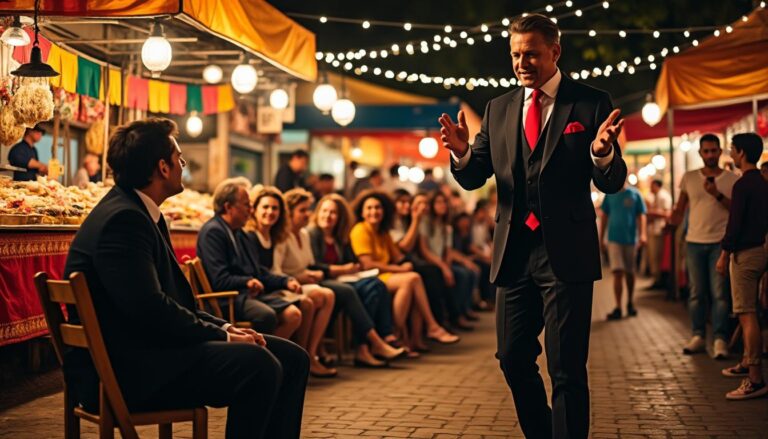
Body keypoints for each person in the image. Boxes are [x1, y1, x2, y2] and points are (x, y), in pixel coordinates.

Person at [438, 14, 627, 439]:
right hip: (513, 252)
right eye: (516, 55)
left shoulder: (589, 102)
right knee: (511, 357)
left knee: (566, 369)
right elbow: (474, 176)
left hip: (567, 251)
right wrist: (465, 153)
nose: (522, 62)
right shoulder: (498, 108)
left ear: (555, 52)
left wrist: (601, 154)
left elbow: (611, 182)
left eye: (532, 54)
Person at [63, 118, 308, 439]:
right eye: (179, 159)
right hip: (129, 371)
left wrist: (223, 327)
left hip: (147, 351)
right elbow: (150, 310)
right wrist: (223, 338)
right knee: (259, 364)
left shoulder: (138, 211)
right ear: (162, 168)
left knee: (292, 357)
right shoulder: (123, 220)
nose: (182, 166)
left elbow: (171, 304)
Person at [350, 190, 460, 352]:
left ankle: (405, 338)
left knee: (415, 282)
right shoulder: (360, 229)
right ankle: (419, 329)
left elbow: (399, 255)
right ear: (362, 212)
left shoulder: (383, 232)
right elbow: (367, 264)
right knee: (413, 279)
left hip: (385, 275)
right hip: (371, 276)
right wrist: (400, 268)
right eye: (369, 208)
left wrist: (405, 265)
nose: (374, 211)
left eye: (378, 208)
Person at [246, 186, 337, 378]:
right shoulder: (250, 235)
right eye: (266, 207)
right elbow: (263, 272)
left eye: (275, 209)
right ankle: (276, 362)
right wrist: (287, 280)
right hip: (261, 289)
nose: (270, 212)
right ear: (254, 209)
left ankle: (304, 357)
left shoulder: (273, 234)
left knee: (313, 301)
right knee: (307, 303)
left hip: (273, 284)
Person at [197, 178, 305, 338]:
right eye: (247, 204)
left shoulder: (239, 232)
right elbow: (219, 280)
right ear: (228, 207)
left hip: (244, 295)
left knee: (294, 314)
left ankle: (276, 358)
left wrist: (285, 281)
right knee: (266, 315)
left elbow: (257, 271)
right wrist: (247, 281)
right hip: (227, 299)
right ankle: (260, 359)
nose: (251, 209)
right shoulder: (214, 232)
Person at [307, 193, 407, 367]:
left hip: (342, 279)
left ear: (339, 217)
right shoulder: (313, 233)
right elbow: (314, 265)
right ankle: (376, 343)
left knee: (376, 285)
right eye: (325, 211)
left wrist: (350, 268)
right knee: (353, 291)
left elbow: (351, 261)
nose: (328, 216)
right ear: (318, 212)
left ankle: (370, 344)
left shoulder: (339, 237)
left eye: (333, 213)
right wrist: (341, 269)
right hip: (321, 281)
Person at [670, 133, 739, 359]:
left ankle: (719, 339)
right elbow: (681, 208)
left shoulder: (732, 179)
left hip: (720, 243)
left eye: (713, 150)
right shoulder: (689, 178)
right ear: (700, 153)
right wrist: (673, 219)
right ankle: (698, 335)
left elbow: (736, 211)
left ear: (720, 152)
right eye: (706, 151)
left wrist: (716, 194)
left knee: (719, 294)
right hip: (694, 242)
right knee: (696, 293)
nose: (710, 155)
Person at [715, 133, 768, 400]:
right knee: (752, 313)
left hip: (744, 254)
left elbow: (734, 225)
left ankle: (755, 379)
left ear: (742, 153)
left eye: (733, 150)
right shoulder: (762, 182)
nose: (731, 155)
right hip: (760, 250)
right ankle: (748, 363)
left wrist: (724, 254)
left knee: (747, 315)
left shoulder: (742, 185)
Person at [390, 189, 458, 331]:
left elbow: (448, 251)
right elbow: (406, 247)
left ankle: (443, 321)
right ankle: (435, 324)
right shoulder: (396, 222)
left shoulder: (408, 220)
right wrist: (416, 219)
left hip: (408, 263)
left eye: (408, 202)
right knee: (432, 273)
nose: (407, 206)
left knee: (447, 273)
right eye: (402, 202)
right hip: (397, 265)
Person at [600, 182, 647, 320]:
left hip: (631, 239)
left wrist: (643, 234)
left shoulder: (635, 193)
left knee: (630, 273)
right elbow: (604, 216)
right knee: (617, 272)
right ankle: (618, 307)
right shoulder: (609, 194)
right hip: (614, 239)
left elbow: (641, 215)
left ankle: (630, 302)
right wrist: (601, 238)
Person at [645, 179, 672, 289]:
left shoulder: (663, 196)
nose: (650, 188)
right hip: (654, 230)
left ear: (656, 185)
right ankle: (656, 279)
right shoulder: (656, 196)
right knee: (653, 257)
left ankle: (659, 280)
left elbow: (667, 213)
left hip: (659, 230)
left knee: (657, 256)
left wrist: (651, 212)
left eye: (651, 186)